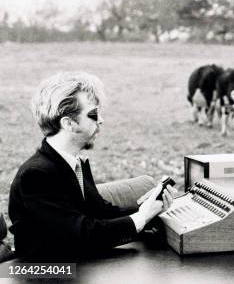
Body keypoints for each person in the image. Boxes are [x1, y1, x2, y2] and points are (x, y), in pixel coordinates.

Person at [9, 71, 174, 261]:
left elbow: (100, 213)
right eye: (94, 114)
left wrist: (150, 209)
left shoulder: (73, 163)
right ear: (69, 123)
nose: (101, 120)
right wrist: (141, 217)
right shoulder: (36, 175)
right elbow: (81, 234)